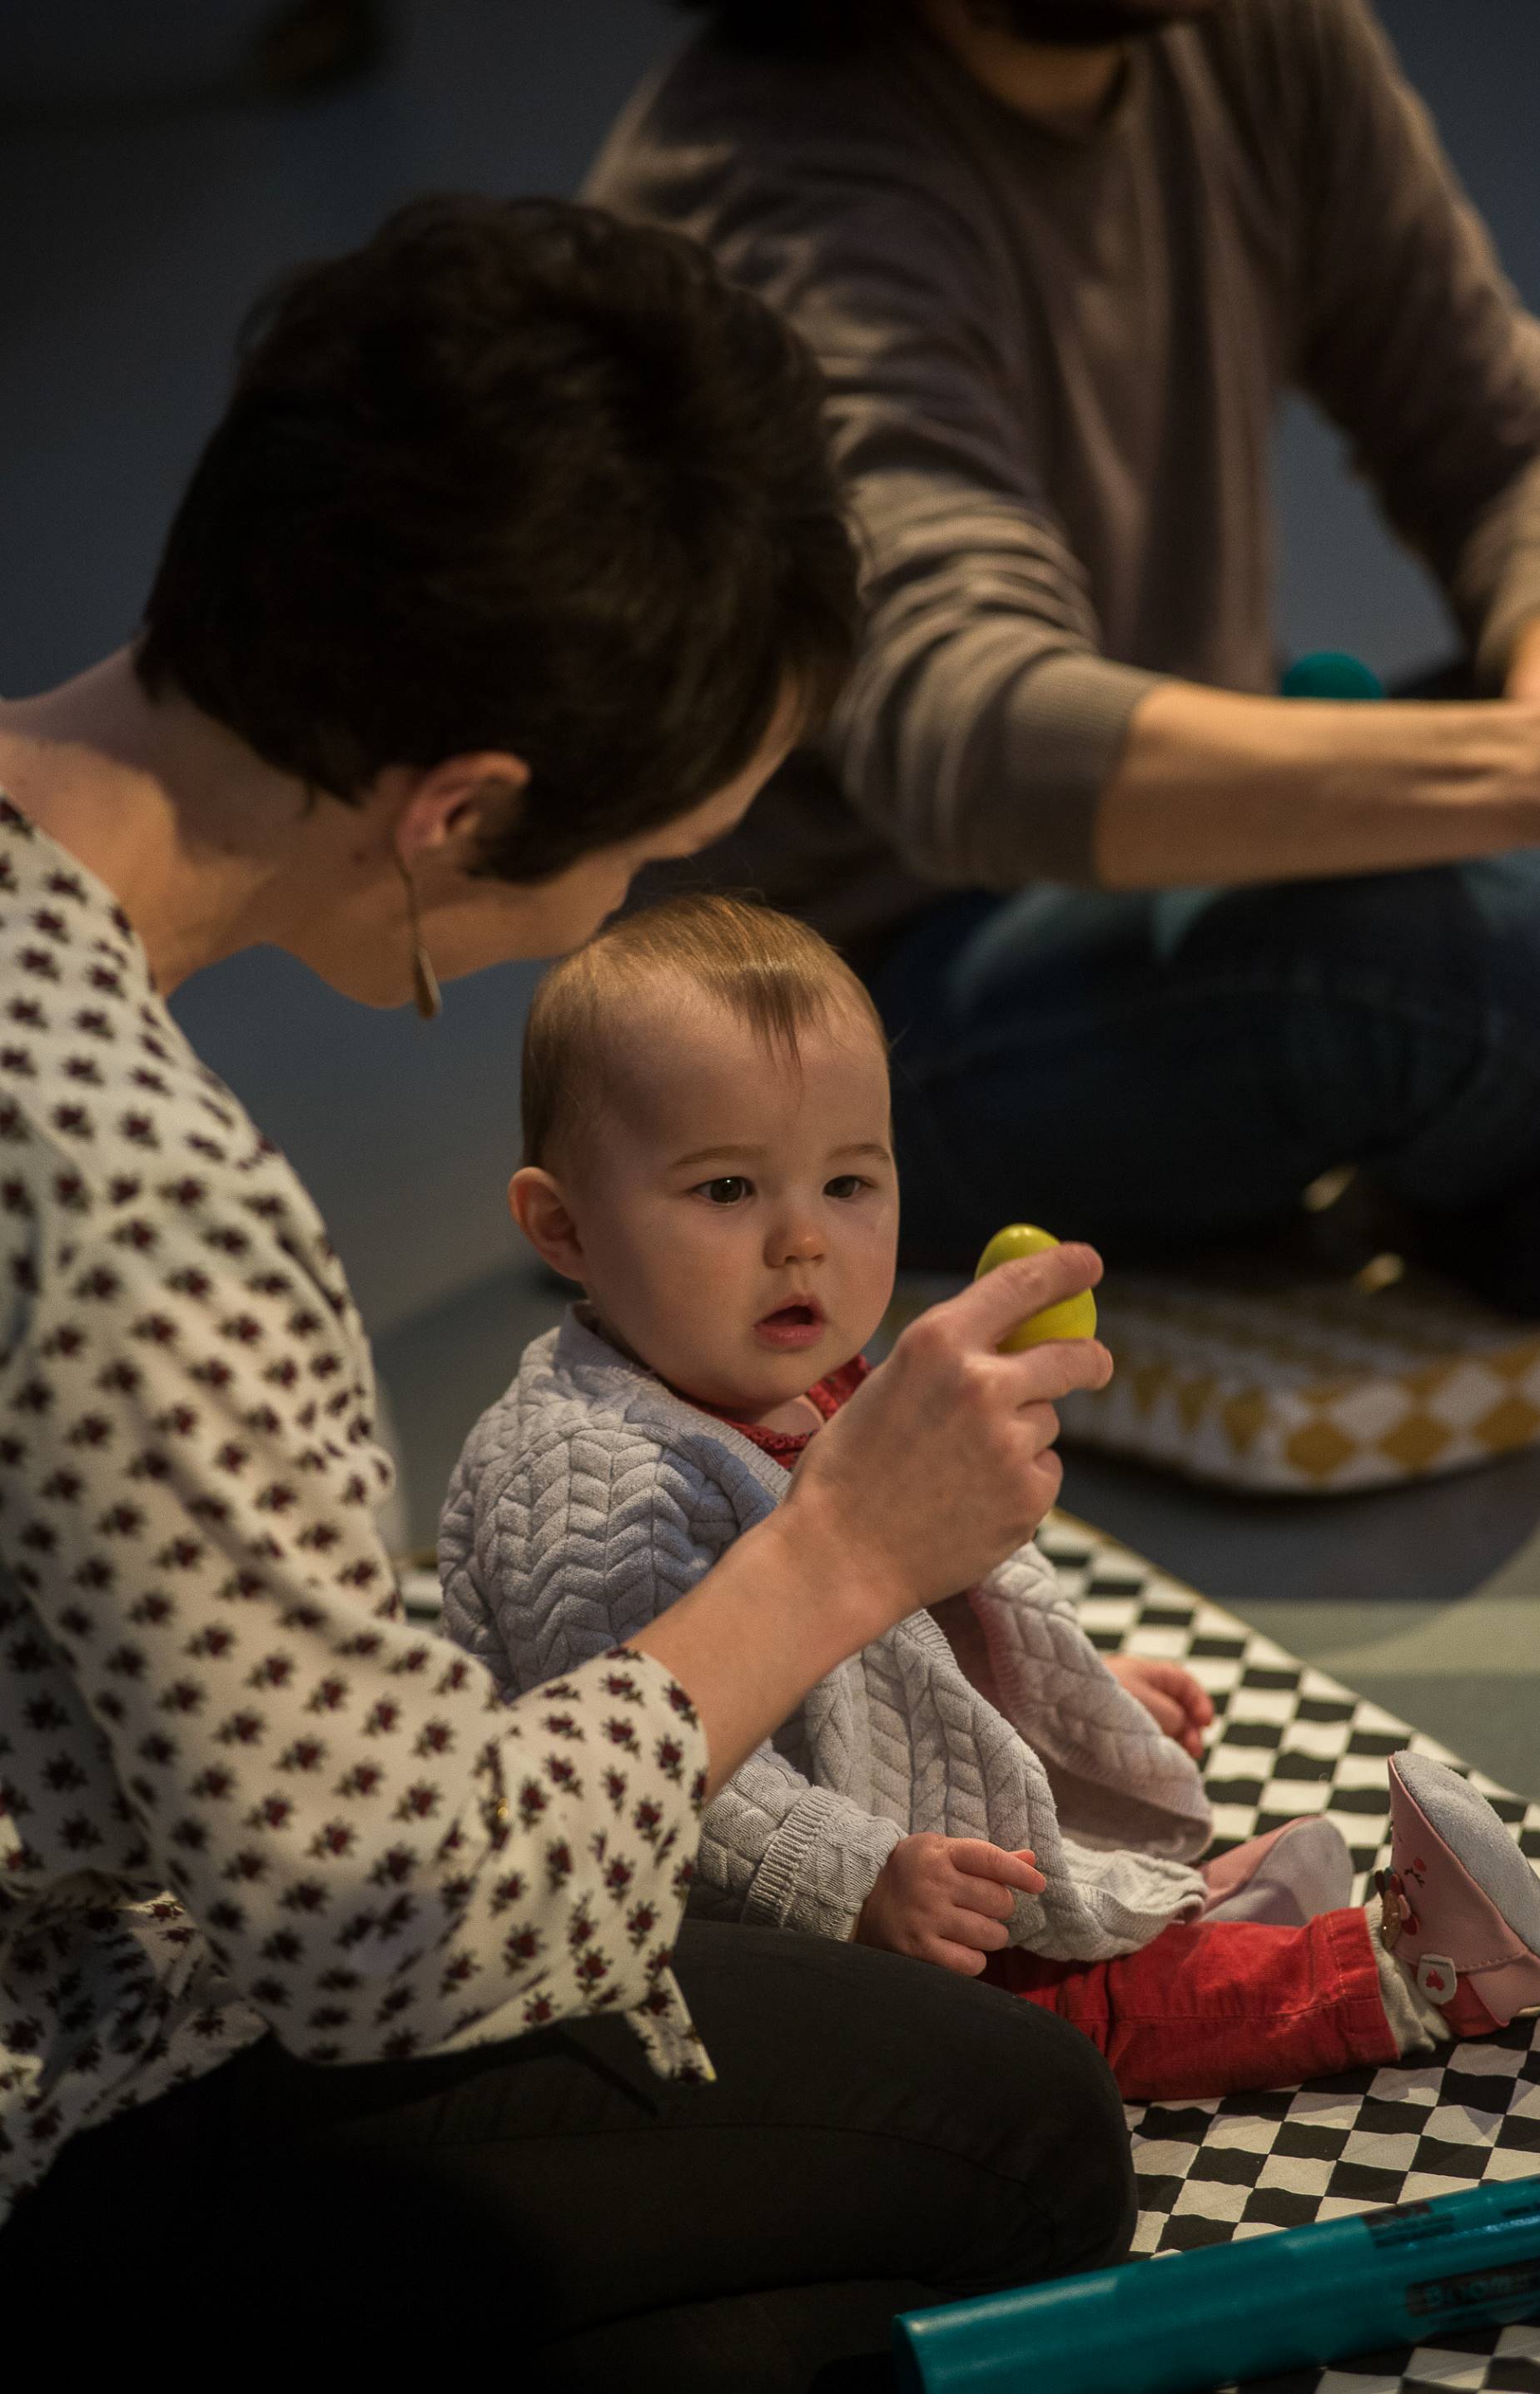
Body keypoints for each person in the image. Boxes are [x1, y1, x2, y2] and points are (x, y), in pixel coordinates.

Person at [0, 196, 1135, 2391]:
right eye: (636, 856)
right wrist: (838, 1552)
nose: (620, 909)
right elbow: (386, 1932)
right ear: (463, 811)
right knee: (1008, 2148)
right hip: (55, 2100)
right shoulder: (139, 1204)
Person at [439, 892, 1540, 2103]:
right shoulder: (587, 1476)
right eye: (726, 1191)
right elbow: (640, 1777)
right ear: (561, 1226)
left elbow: (897, 1601)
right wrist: (856, 1879)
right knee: (1052, 2025)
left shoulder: (800, 1376)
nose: (803, 1242)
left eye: (849, 1183)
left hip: (877, 1831)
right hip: (698, 1951)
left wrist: (1039, 1683)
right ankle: (1404, 1978)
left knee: (1034, 1898)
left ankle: (1199, 1923)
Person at [588, 0, 1540, 1317]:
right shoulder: (780, 191)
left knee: (1510, 860)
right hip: (847, 1011)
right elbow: (984, 741)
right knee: (1471, 946)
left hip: (1145, 871)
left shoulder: (1262, 38)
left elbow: (1515, 445)